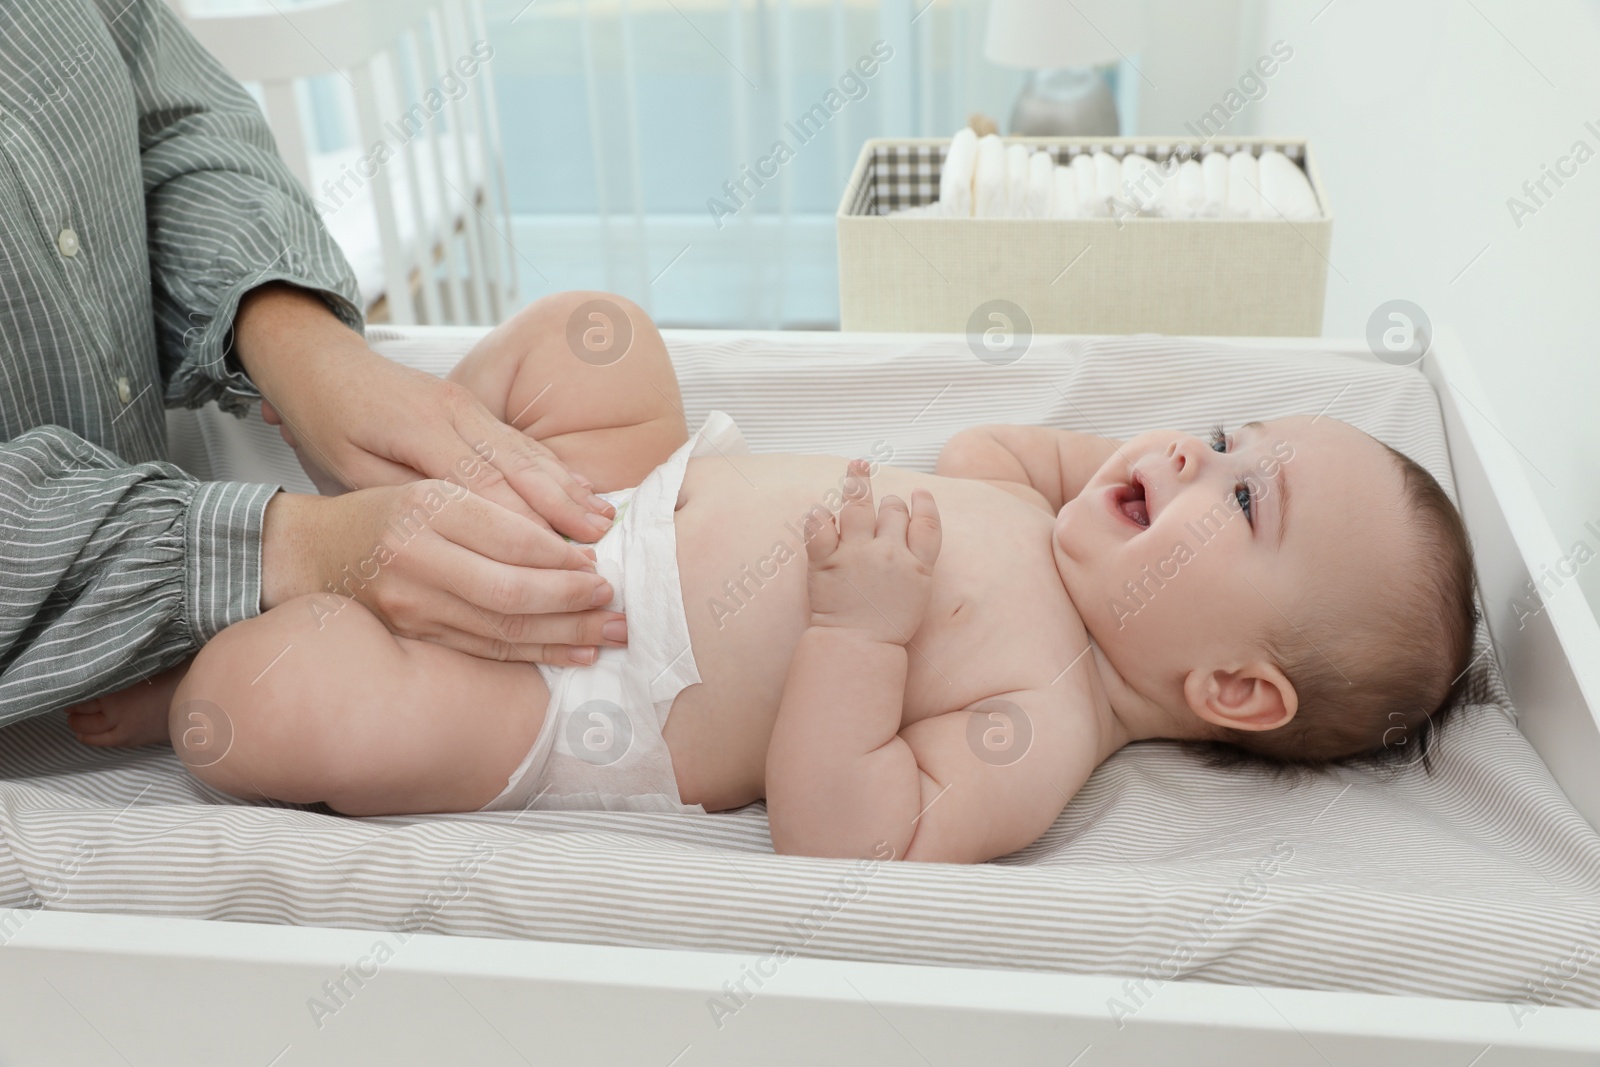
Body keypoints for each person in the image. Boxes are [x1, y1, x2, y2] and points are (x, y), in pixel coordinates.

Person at [81, 289, 1480, 865]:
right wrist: (1122, 479)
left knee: (276, 706)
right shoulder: (1041, 508)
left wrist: (861, 631)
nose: (1187, 449)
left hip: (588, 680)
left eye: (1242, 491)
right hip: (621, 490)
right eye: (1224, 430)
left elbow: (844, 831)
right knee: (597, 338)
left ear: (1234, 685)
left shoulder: (1044, 727)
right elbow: (1000, 445)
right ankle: (408, 480)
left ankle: (188, 659)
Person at [0, 0, 624, 737]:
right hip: (597, 616)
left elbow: (165, 114)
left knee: (594, 337)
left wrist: (297, 338)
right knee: (600, 339)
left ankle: (195, 683)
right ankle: (187, 688)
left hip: (587, 634)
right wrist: (295, 551)